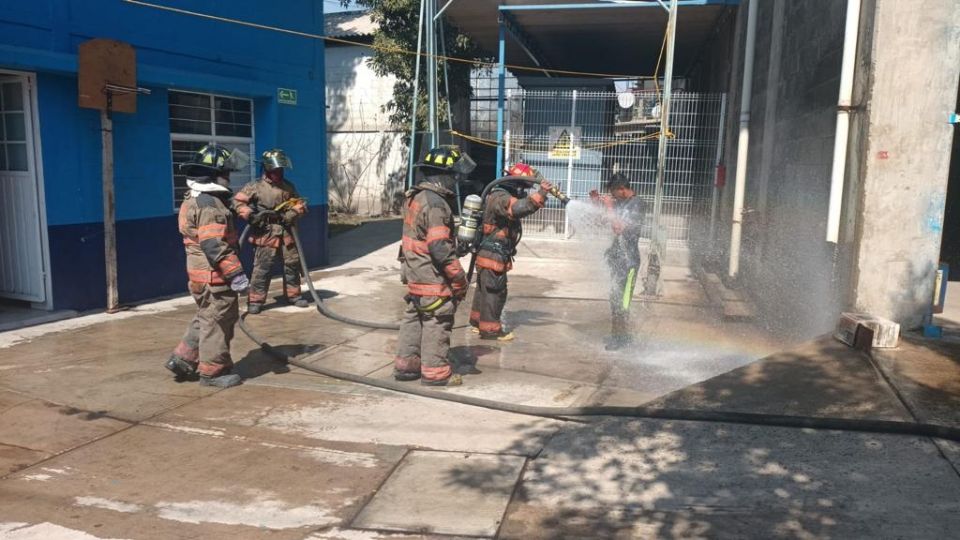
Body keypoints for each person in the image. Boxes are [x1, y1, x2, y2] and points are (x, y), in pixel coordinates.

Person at [165, 144, 250, 388]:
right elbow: (215, 246)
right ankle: (213, 372)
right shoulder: (210, 206)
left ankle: (183, 358)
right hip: (214, 275)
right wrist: (236, 275)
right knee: (219, 321)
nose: (229, 177)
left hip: (200, 274)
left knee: (206, 315)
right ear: (214, 175)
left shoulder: (198, 198)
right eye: (227, 173)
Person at [393, 146, 474, 386]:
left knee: (414, 316)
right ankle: (436, 373)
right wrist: (459, 277)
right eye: (454, 176)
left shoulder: (416, 196)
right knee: (437, 320)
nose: (456, 181)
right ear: (444, 175)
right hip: (431, 276)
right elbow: (439, 248)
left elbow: (424, 238)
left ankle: (407, 367)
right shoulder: (437, 204)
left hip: (414, 272)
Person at [469, 163, 554, 341]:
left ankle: (477, 322)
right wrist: (541, 194)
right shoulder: (501, 196)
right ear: (517, 184)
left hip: (489, 251)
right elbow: (517, 209)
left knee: (484, 288)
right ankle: (491, 330)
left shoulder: (498, 193)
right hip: (494, 252)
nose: (524, 192)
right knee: (495, 290)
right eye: (524, 187)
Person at [233, 149, 308, 314]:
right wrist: (250, 215)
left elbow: (301, 203)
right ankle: (256, 300)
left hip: (287, 232)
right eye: (275, 170)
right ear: (267, 169)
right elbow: (237, 203)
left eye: (281, 170)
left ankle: (294, 296)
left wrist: (293, 212)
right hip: (265, 232)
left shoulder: (288, 187)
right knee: (263, 267)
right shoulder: (255, 187)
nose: (278, 173)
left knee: (292, 265)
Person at [589, 173, 656, 351]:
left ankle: (621, 337)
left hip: (629, 262)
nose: (612, 196)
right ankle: (619, 335)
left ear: (622, 189)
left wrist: (609, 207)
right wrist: (597, 203)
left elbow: (619, 228)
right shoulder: (619, 203)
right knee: (614, 300)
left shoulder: (638, 204)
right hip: (616, 258)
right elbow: (601, 222)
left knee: (622, 302)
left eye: (613, 192)